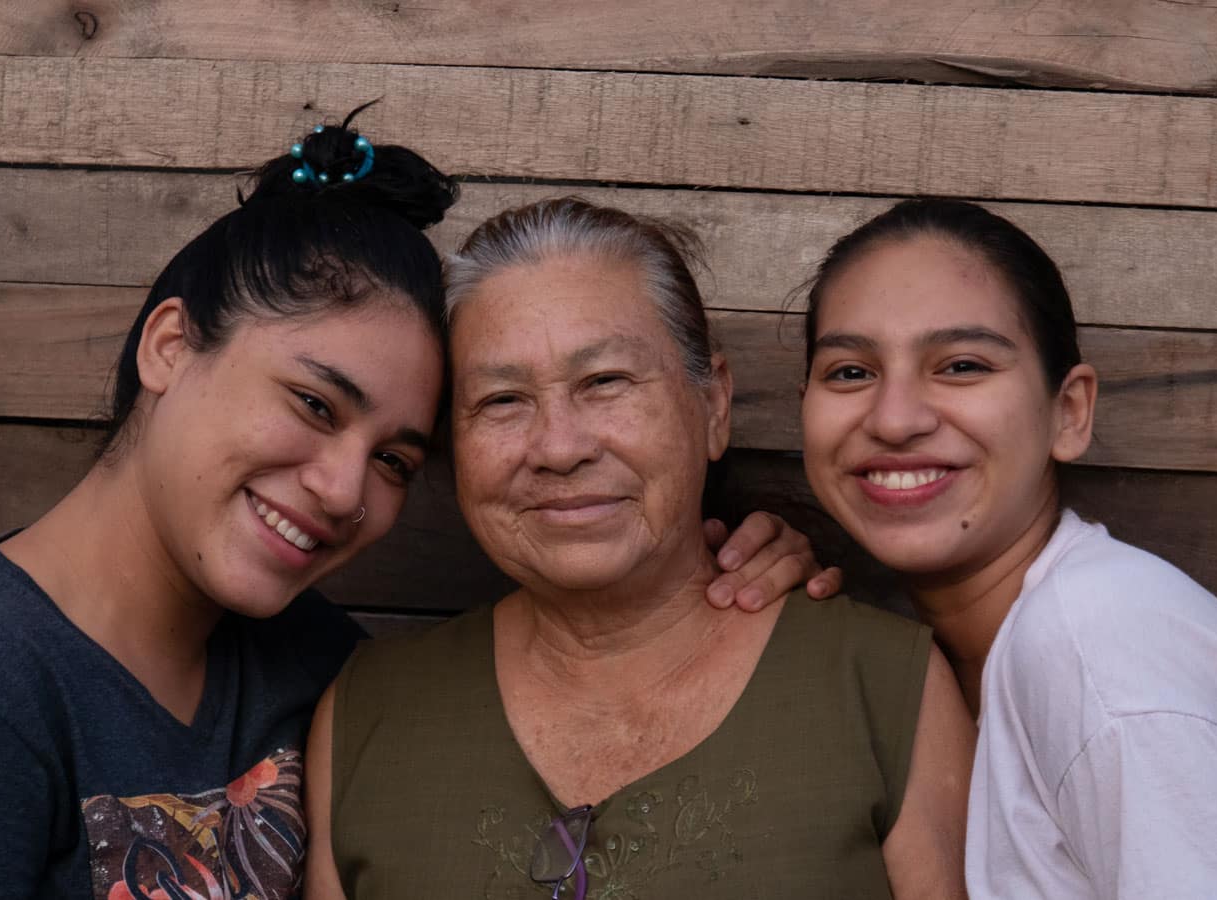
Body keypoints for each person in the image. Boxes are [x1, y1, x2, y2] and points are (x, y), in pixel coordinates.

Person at [0, 117, 831, 900]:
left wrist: (708, 575)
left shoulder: (317, 669)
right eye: (313, 402)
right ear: (169, 348)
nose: (342, 489)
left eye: (393, 458)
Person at [305, 198, 975, 900]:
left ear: (714, 405)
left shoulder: (878, 686)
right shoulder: (366, 716)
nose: (558, 448)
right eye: (502, 400)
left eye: (605, 382)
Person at [796, 198, 1217, 899]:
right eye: (850, 371)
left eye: (962, 365)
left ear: (1069, 412)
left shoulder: (1095, 643)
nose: (894, 418)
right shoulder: (979, 649)